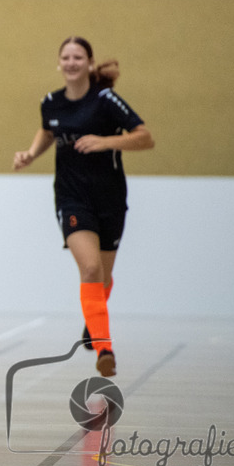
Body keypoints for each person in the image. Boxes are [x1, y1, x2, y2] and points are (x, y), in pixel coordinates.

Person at [13, 36, 154, 377]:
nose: (71, 63)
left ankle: (93, 320)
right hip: (71, 197)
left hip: (110, 198)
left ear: (90, 64)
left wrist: (105, 142)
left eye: (78, 57)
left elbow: (145, 137)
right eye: (66, 57)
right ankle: (104, 349)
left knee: (103, 278)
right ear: (59, 63)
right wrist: (31, 154)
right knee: (90, 270)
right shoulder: (51, 102)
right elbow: (48, 132)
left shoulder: (105, 100)